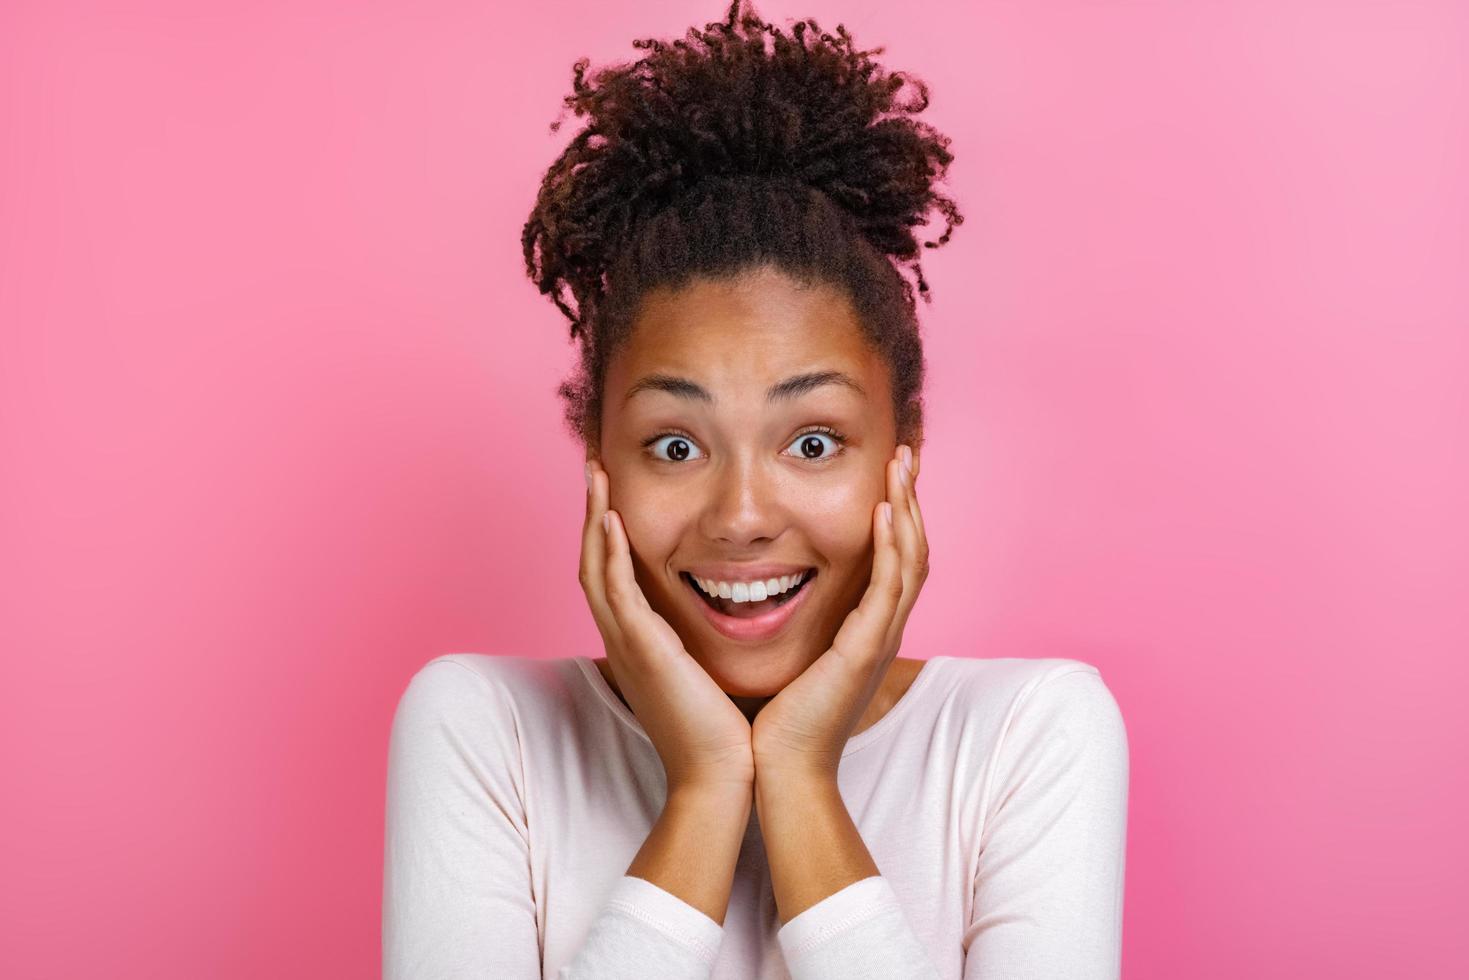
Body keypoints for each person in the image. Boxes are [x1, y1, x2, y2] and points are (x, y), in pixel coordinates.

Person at [382, 2, 1129, 977]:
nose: (739, 516)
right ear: (596, 460)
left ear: (902, 455)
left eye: (811, 440)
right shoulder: (486, 731)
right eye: (675, 445)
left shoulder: (1026, 736)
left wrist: (799, 778)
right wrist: (700, 791)